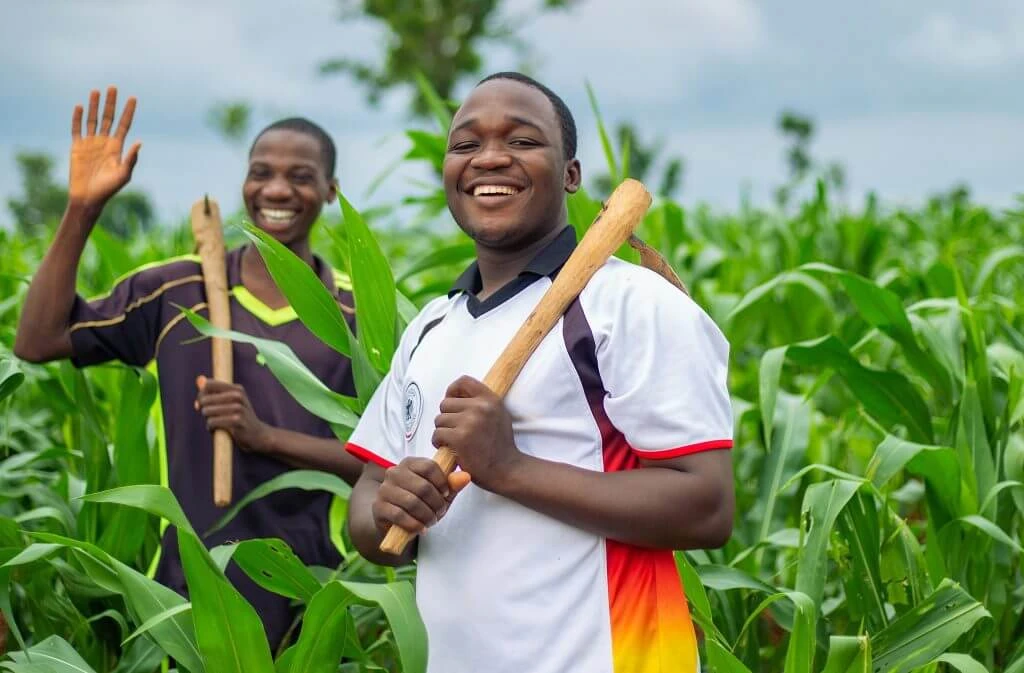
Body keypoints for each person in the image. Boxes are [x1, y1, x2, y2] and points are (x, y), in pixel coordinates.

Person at [344, 72, 735, 673]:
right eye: (466, 145)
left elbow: (706, 507)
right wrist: (390, 507)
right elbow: (366, 506)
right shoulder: (429, 327)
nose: (491, 158)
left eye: (523, 141)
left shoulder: (630, 306)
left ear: (572, 174)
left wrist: (509, 467)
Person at [13, 87, 365, 649]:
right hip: (183, 596)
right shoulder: (176, 289)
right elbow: (37, 340)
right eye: (261, 172)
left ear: (330, 191)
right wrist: (83, 208)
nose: (276, 189)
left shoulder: (356, 316)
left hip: (310, 596)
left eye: (300, 176)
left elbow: (384, 462)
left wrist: (264, 437)